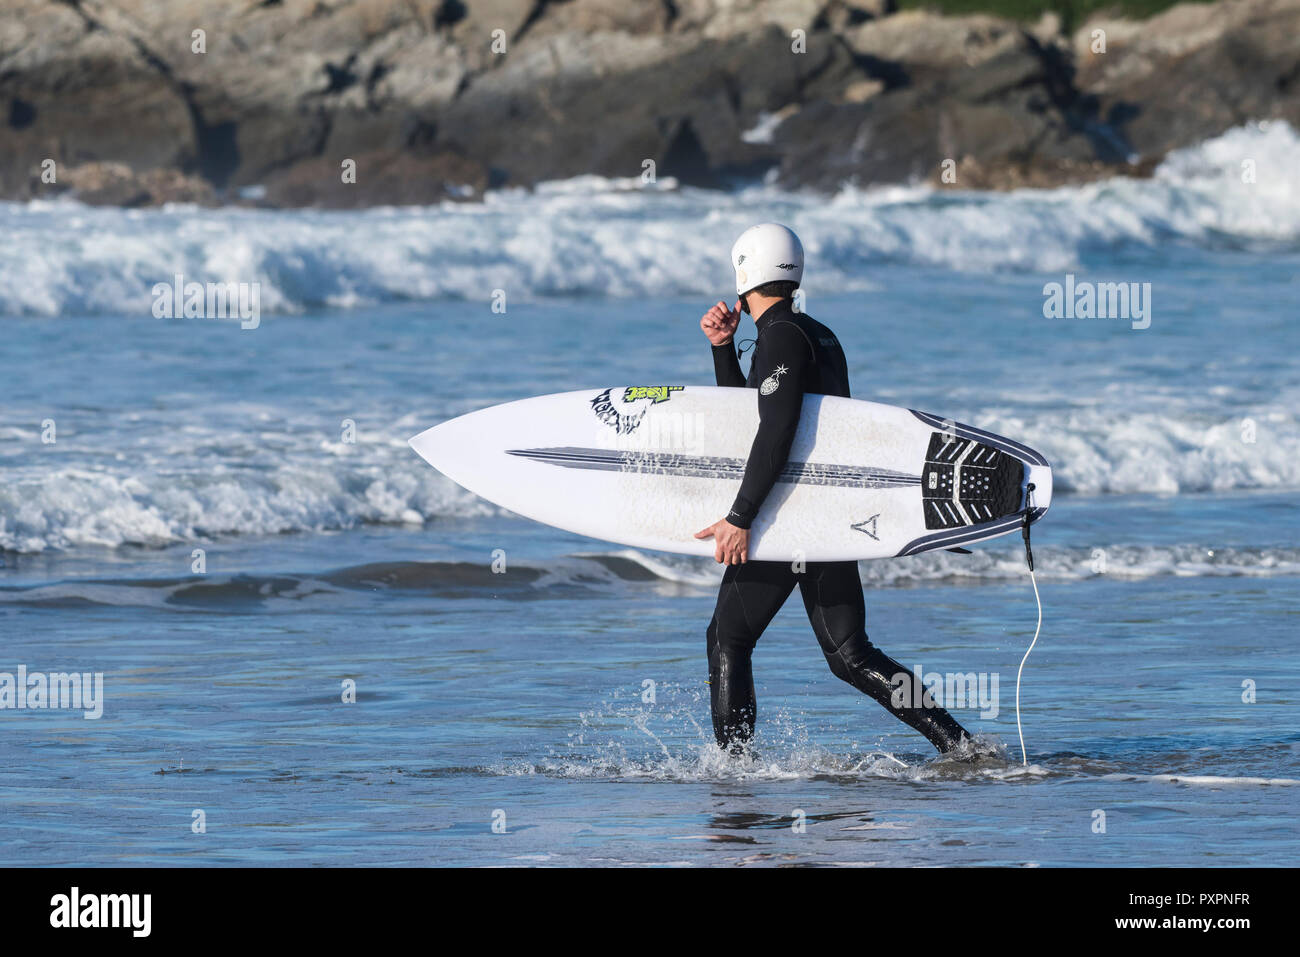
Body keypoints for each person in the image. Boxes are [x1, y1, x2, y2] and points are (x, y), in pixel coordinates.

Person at [694, 223, 972, 755]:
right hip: (829, 515)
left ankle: (734, 771)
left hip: (788, 516)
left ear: (745, 270)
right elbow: (752, 422)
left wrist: (742, 515)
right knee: (850, 654)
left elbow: (775, 432)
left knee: (728, 639)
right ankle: (960, 745)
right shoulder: (816, 333)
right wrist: (724, 349)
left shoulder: (780, 338)